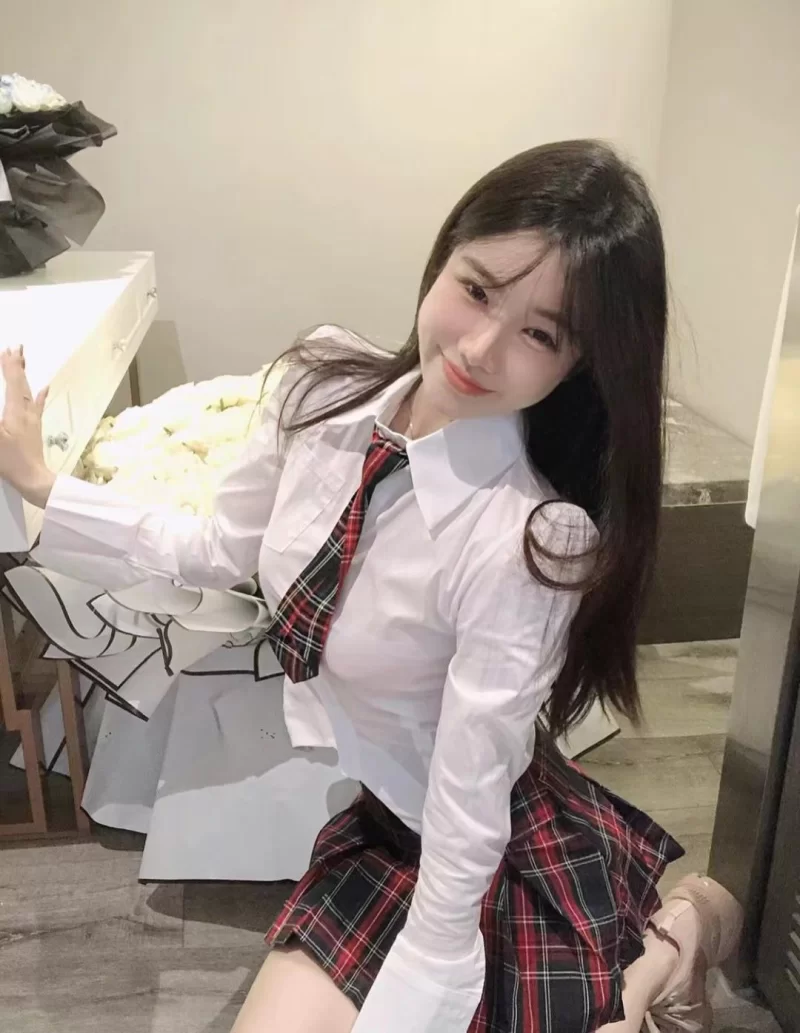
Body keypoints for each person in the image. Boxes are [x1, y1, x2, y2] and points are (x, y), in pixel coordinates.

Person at [0, 139, 742, 1033]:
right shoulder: (317, 388)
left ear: (575, 365)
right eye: (478, 289)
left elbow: (468, 793)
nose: (479, 348)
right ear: (444, 254)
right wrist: (44, 486)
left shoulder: (530, 538)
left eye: (540, 334)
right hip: (388, 825)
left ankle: (680, 933)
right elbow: (216, 547)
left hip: (478, 848)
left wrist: (425, 989)